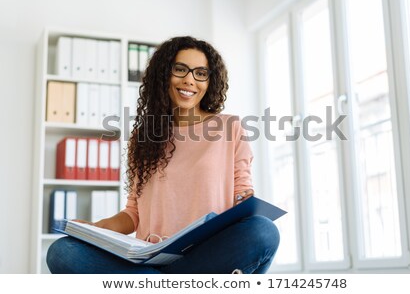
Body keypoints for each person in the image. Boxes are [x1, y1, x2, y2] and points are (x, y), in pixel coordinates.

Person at [46, 36, 280, 274]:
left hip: (208, 255)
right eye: (180, 70)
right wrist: (95, 230)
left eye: (200, 73)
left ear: (210, 81)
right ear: (163, 74)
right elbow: (132, 214)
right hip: (152, 257)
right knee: (63, 252)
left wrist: (244, 201)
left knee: (263, 230)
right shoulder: (143, 137)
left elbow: (242, 192)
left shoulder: (231, 127)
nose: (189, 80)